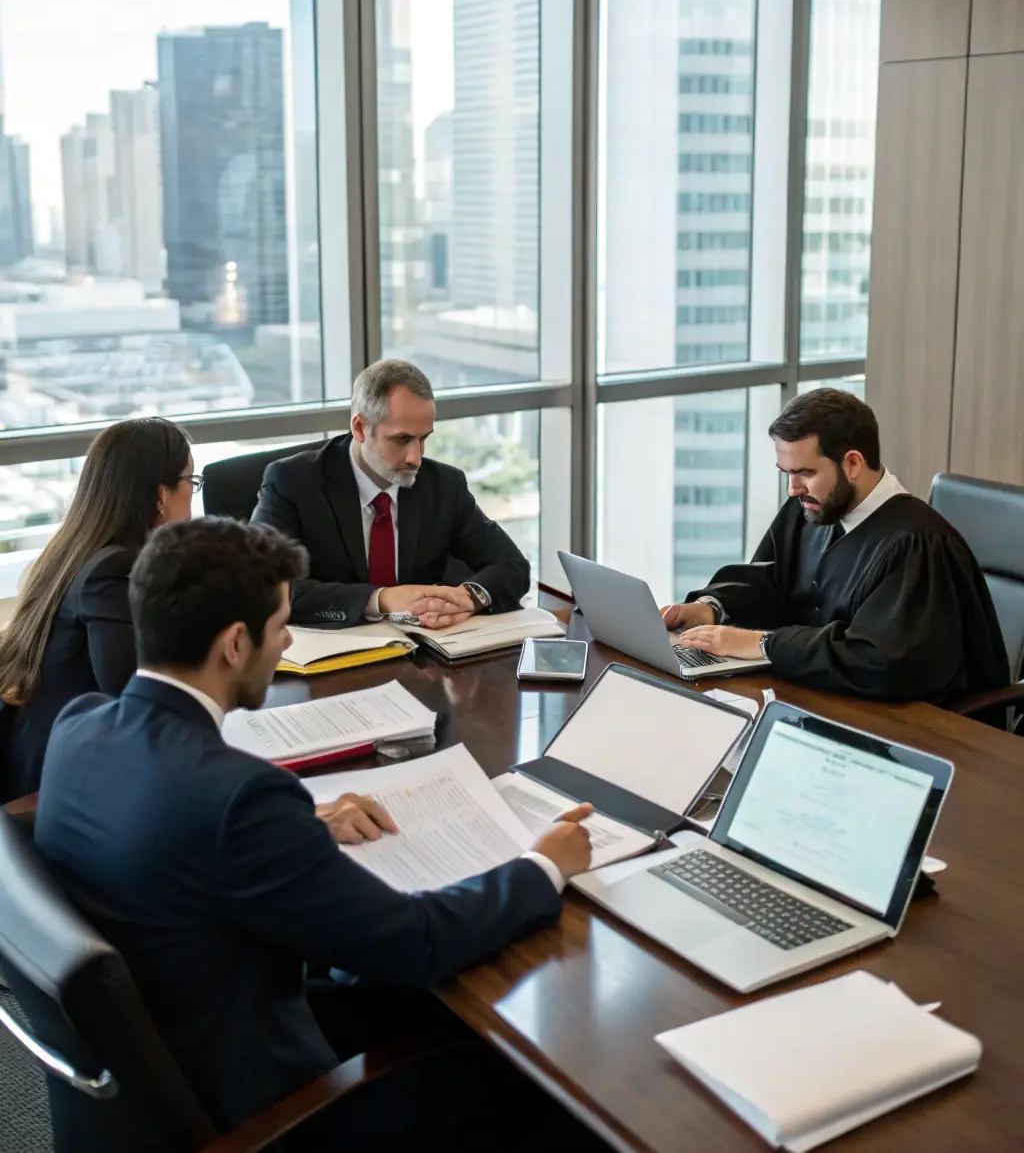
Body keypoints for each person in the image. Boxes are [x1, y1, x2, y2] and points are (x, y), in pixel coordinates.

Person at [34, 518, 601, 1153]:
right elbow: (412, 944)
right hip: (268, 1106)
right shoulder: (241, 798)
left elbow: (178, 832)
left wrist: (296, 825)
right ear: (232, 645)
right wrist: (542, 866)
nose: (284, 646)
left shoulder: (79, 728)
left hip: (157, 1065)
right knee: (540, 1082)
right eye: (280, 628)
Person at [662, 388, 1008, 705]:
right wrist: (711, 609)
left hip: (921, 735)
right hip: (818, 702)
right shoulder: (812, 508)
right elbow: (771, 580)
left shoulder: (918, 546)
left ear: (853, 464)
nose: (793, 489)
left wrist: (763, 645)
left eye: (805, 473)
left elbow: (879, 662)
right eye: (786, 473)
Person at [252, 358, 530, 629]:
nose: (415, 458)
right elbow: (264, 585)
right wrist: (380, 599)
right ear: (360, 428)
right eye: (402, 439)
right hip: (336, 658)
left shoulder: (444, 485)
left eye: (423, 439)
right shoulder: (292, 482)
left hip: (422, 659)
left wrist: (468, 598)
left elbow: (513, 565)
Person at [0, 417, 196, 802]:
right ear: (160, 496)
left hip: (40, 754)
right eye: (192, 481)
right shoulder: (112, 569)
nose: (194, 493)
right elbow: (133, 699)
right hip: (59, 785)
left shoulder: (75, 549)